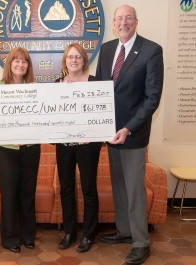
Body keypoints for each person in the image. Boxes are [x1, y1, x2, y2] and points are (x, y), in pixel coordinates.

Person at [95, 4, 164, 265]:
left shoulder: (151, 50)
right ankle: (125, 231)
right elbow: (100, 89)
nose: (123, 23)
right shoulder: (107, 49)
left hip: (132, 135)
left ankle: (140, 242)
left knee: (135, 190)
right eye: (119, 19)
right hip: (110, 135)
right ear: (114, 24)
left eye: (128, 18)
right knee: (120, 187)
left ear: (136, 21)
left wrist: (128, 128)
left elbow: (151, 98)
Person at [0, 47, 40, 253]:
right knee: (9, 194)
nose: (20, 65)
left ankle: (28, 235)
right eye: (16, 61)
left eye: (24, 61)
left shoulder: (35, 88)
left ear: (28, 66)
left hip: (30, 149)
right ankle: (10, 238)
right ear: (9, 64)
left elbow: (42, 118)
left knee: (28, 192)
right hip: (5, 150)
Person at [55, 43, 102, 253]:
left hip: (87, 145)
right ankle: (69, 232)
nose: (73, 61)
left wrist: (91, 135)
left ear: (84, 60)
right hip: (64, 146)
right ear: (65, 61)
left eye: (77, 57)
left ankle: (89, 235)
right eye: (70, 57)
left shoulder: (95, 83)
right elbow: (50, 115)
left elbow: (101, 115)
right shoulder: (57, 84)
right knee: (66, 189)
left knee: (89, 188)